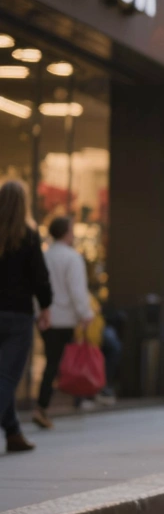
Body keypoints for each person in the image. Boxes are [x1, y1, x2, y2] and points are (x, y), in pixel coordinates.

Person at [0, 181, 50, 453]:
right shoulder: (29, 235)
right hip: (18, 315)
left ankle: (13, 433)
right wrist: (46, 307)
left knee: (3, 376)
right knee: (7, 377)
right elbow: (40, 278)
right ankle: (12, 432)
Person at [32, 216, 96, 428]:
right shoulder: (71, 258)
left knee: (53, 361)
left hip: (45, 317)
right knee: (60, 362)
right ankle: (46, 405)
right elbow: (77, 290)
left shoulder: (44, 255)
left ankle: (46, 405)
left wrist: (39, 312)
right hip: (64, 318)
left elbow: (36, 287)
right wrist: (85, 314)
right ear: (67, 232)